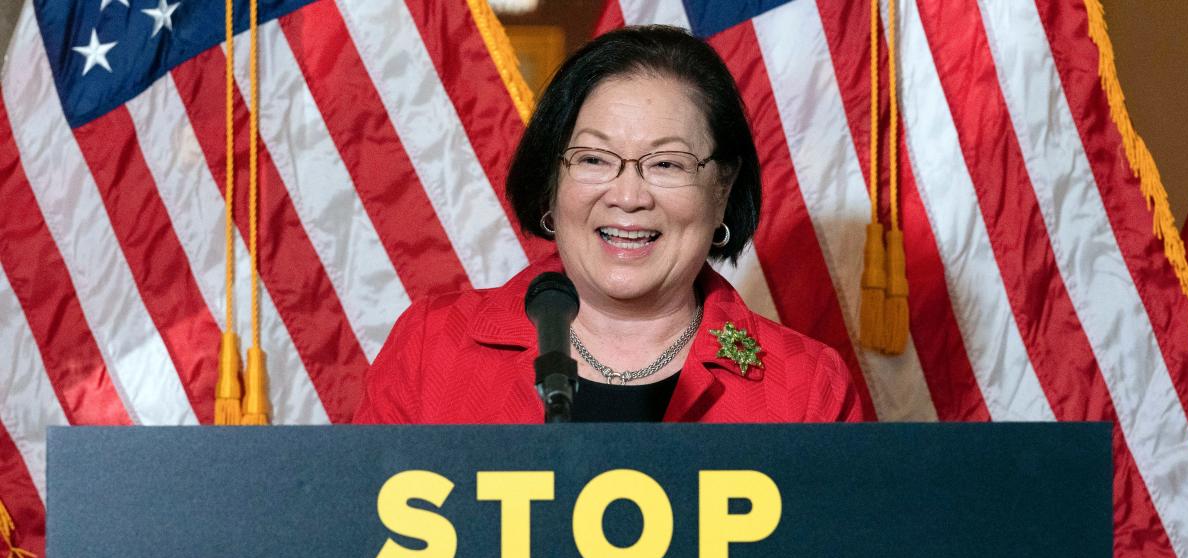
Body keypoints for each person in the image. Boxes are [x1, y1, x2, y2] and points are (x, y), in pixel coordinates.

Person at [354, 25, 861, 424]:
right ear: (552, 180)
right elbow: (359, 545)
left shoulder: (807, 385)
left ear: (723, 190)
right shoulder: (432, 349)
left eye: (667, 163)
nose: (627, 196)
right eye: (594, 159)